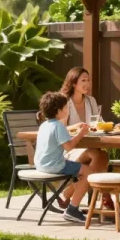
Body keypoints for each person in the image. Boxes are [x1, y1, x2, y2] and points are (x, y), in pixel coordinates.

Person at [35, 91, 94, 223]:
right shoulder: (58, 126)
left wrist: (74, 126)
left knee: (82, 171)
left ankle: (72, 195)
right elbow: (69, 147)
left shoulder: (45, 125)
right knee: (89, 173)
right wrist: (82, 133)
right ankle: (72, 209)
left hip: (42, 165)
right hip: (55, 166)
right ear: (59, 110)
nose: (68, 109)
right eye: (66, 107)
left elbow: (58, 132)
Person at [58, 67, 112, 210]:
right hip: (70, 149)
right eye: (83, 80)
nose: (87, 83)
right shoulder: (64, 102)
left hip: (89, 146)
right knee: (99, 155)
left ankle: (70, 191)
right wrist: (77, 127)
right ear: (73, 83)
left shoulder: (91, 101)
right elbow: (60, 129)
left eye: (88, 80)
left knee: (101, 155)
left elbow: (97, 123)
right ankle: (105, 196)